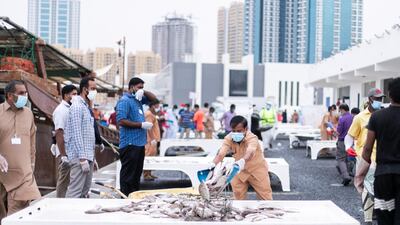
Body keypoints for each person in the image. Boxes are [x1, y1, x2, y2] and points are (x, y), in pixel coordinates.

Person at [355, 78, 400, 225]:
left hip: (383, 175)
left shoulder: (377, 117)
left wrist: (360, 175)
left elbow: (367, 149)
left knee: (385, 216)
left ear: (389, 94)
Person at [0, 80, 40, 222]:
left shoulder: (28, 114)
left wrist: (32, 164)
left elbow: (32, 141)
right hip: (2, 173)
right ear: (10, 96)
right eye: (21, 93)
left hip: (22, 174)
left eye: (26, 92)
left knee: (18, 215)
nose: (25, 96)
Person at [345, 88, 385, 223]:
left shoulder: (384, 116)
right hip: (364, 157)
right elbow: (350, 136)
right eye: (377, 98)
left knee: (371, 188)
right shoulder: (360, 117)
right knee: (365, 186)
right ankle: (370, 213)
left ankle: (370, 214)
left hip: (381, 158)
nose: (380, 101)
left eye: (381, 99)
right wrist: (348, 148)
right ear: (369, 99)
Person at [210, 116, 272, 200]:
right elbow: (221, 154)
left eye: (239, 131)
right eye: (233, 131)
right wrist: (213, 165)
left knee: (265, 196)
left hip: (257, 170)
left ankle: (267, 211)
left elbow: (250, 151)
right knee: (237, 197)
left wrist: (243, 160)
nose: (235, 133)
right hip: (239, 170)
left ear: (245, 129)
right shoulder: (229, 138)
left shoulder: (252, 138)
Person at [116, 77, 157, 196]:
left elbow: (154, 99)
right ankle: (125, 197)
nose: (141, 90)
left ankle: (134, 197)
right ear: (131, 87)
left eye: (142, 88)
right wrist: (141, 125)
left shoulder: (138, 99)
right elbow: (121, 121)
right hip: (129, 143)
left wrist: (143, 92)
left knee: (136, 174)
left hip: (139, 144)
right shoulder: (125, 100)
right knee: (128, 175)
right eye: (139, 87)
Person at [64, 77, 97, 198]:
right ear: (84, 89)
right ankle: (67, 216)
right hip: (80, 157)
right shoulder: (77, 106)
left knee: (84, 192)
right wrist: (82, 158)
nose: (95, 91)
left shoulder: (85, 107)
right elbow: (77, 133)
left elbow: (87, 134)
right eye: (92, 88)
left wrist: (92, 157)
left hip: (88, 155)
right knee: (75, 192)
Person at [52, 85, 78, 198]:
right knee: (64, 180)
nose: (76, 97)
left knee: (71, 180)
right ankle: (59, 202)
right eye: (74, 94)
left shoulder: (72, 108)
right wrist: (63, 155)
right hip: (66, 152)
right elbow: (59, 132)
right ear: (67, 95)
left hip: (73, 151)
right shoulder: (60, 110)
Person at [335, 104, 353, 186]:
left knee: (341, 159)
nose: (340, 112)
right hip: (352, 141)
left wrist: (334, 130)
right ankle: (349, 173)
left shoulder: (342, 119)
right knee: (348, 159)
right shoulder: (354, 117)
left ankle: (346, 176)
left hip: (342, 140)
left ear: (342, 109)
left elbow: (338, 132)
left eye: (340, 110)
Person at [143, 100, 161, 180]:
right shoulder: (149, 114)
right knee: (148, 156)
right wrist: (152, 138)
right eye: (157, 106)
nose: (158, 108)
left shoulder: (151, 114)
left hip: (152, 139)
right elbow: (149, 127)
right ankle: (146, 174)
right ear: (153, 106)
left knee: (152, 156)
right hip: (150, 139)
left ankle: (149, 173)